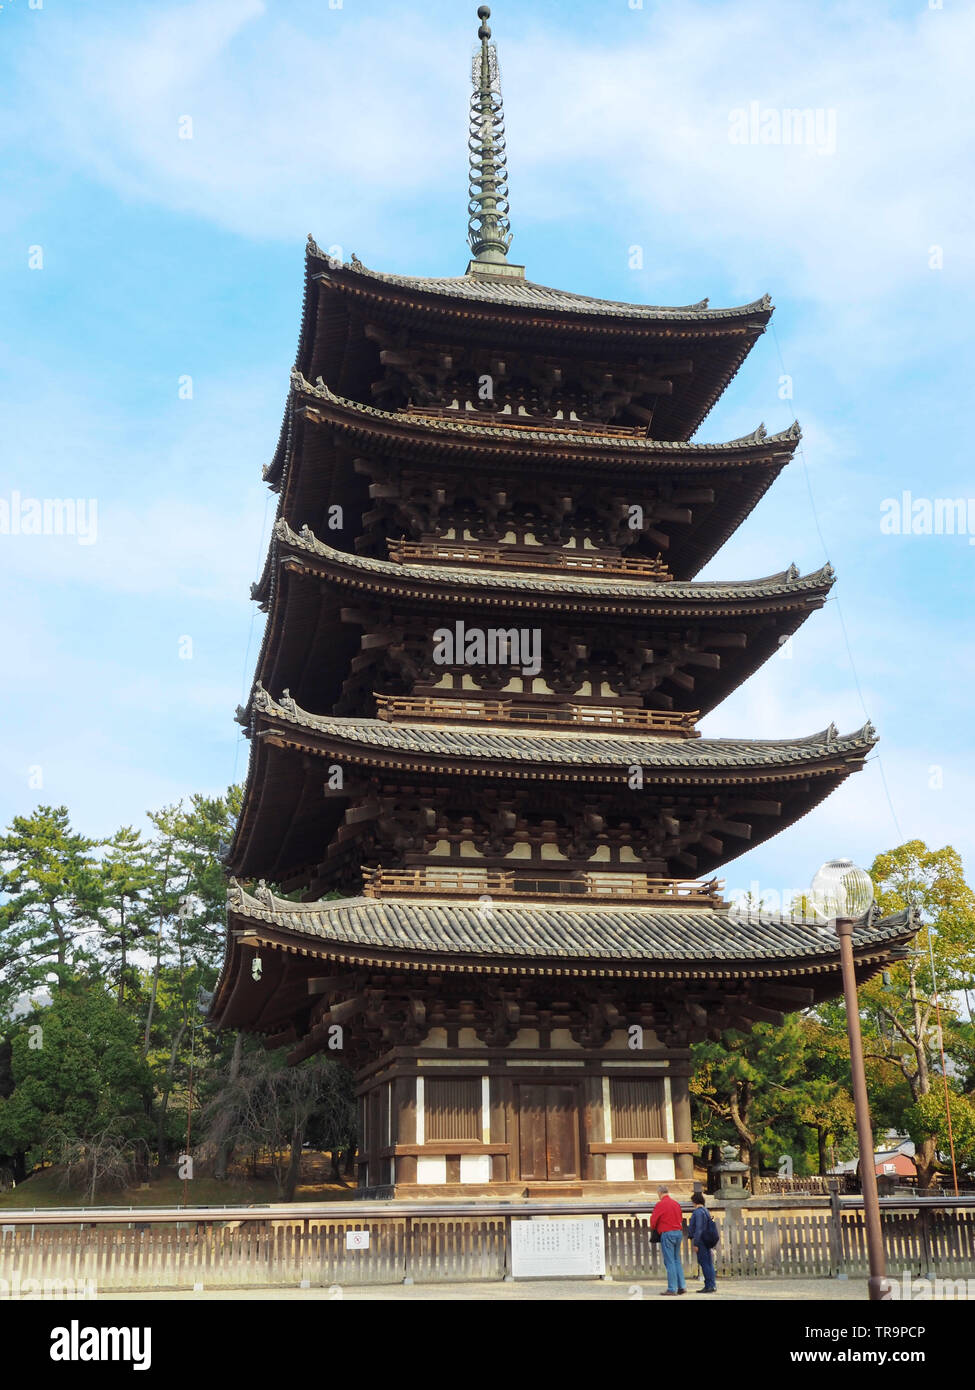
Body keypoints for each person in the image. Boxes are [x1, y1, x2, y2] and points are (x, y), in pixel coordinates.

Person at [649, 1184, 686, 1295]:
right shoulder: (676, 1204)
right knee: (676, 1260)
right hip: (678, 1233)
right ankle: (681, 1286)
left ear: (659, 1193)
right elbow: (680, 1218)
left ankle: (672, 1288)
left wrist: (655, 1228)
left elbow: (653, 1221)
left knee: (669, 1261)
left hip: (667, 1233)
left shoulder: (660, 1204)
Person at [687, 1191, 718, 1293]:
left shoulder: (698, 1212)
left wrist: (695, 1243)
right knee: (708, 1263)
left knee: (704, 1263)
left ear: (695, 1201)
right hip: (707, 1239)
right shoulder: (706, 1211)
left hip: (701, 1240)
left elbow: (698, 1228)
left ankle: (709, 1285)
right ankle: (712, 1284)